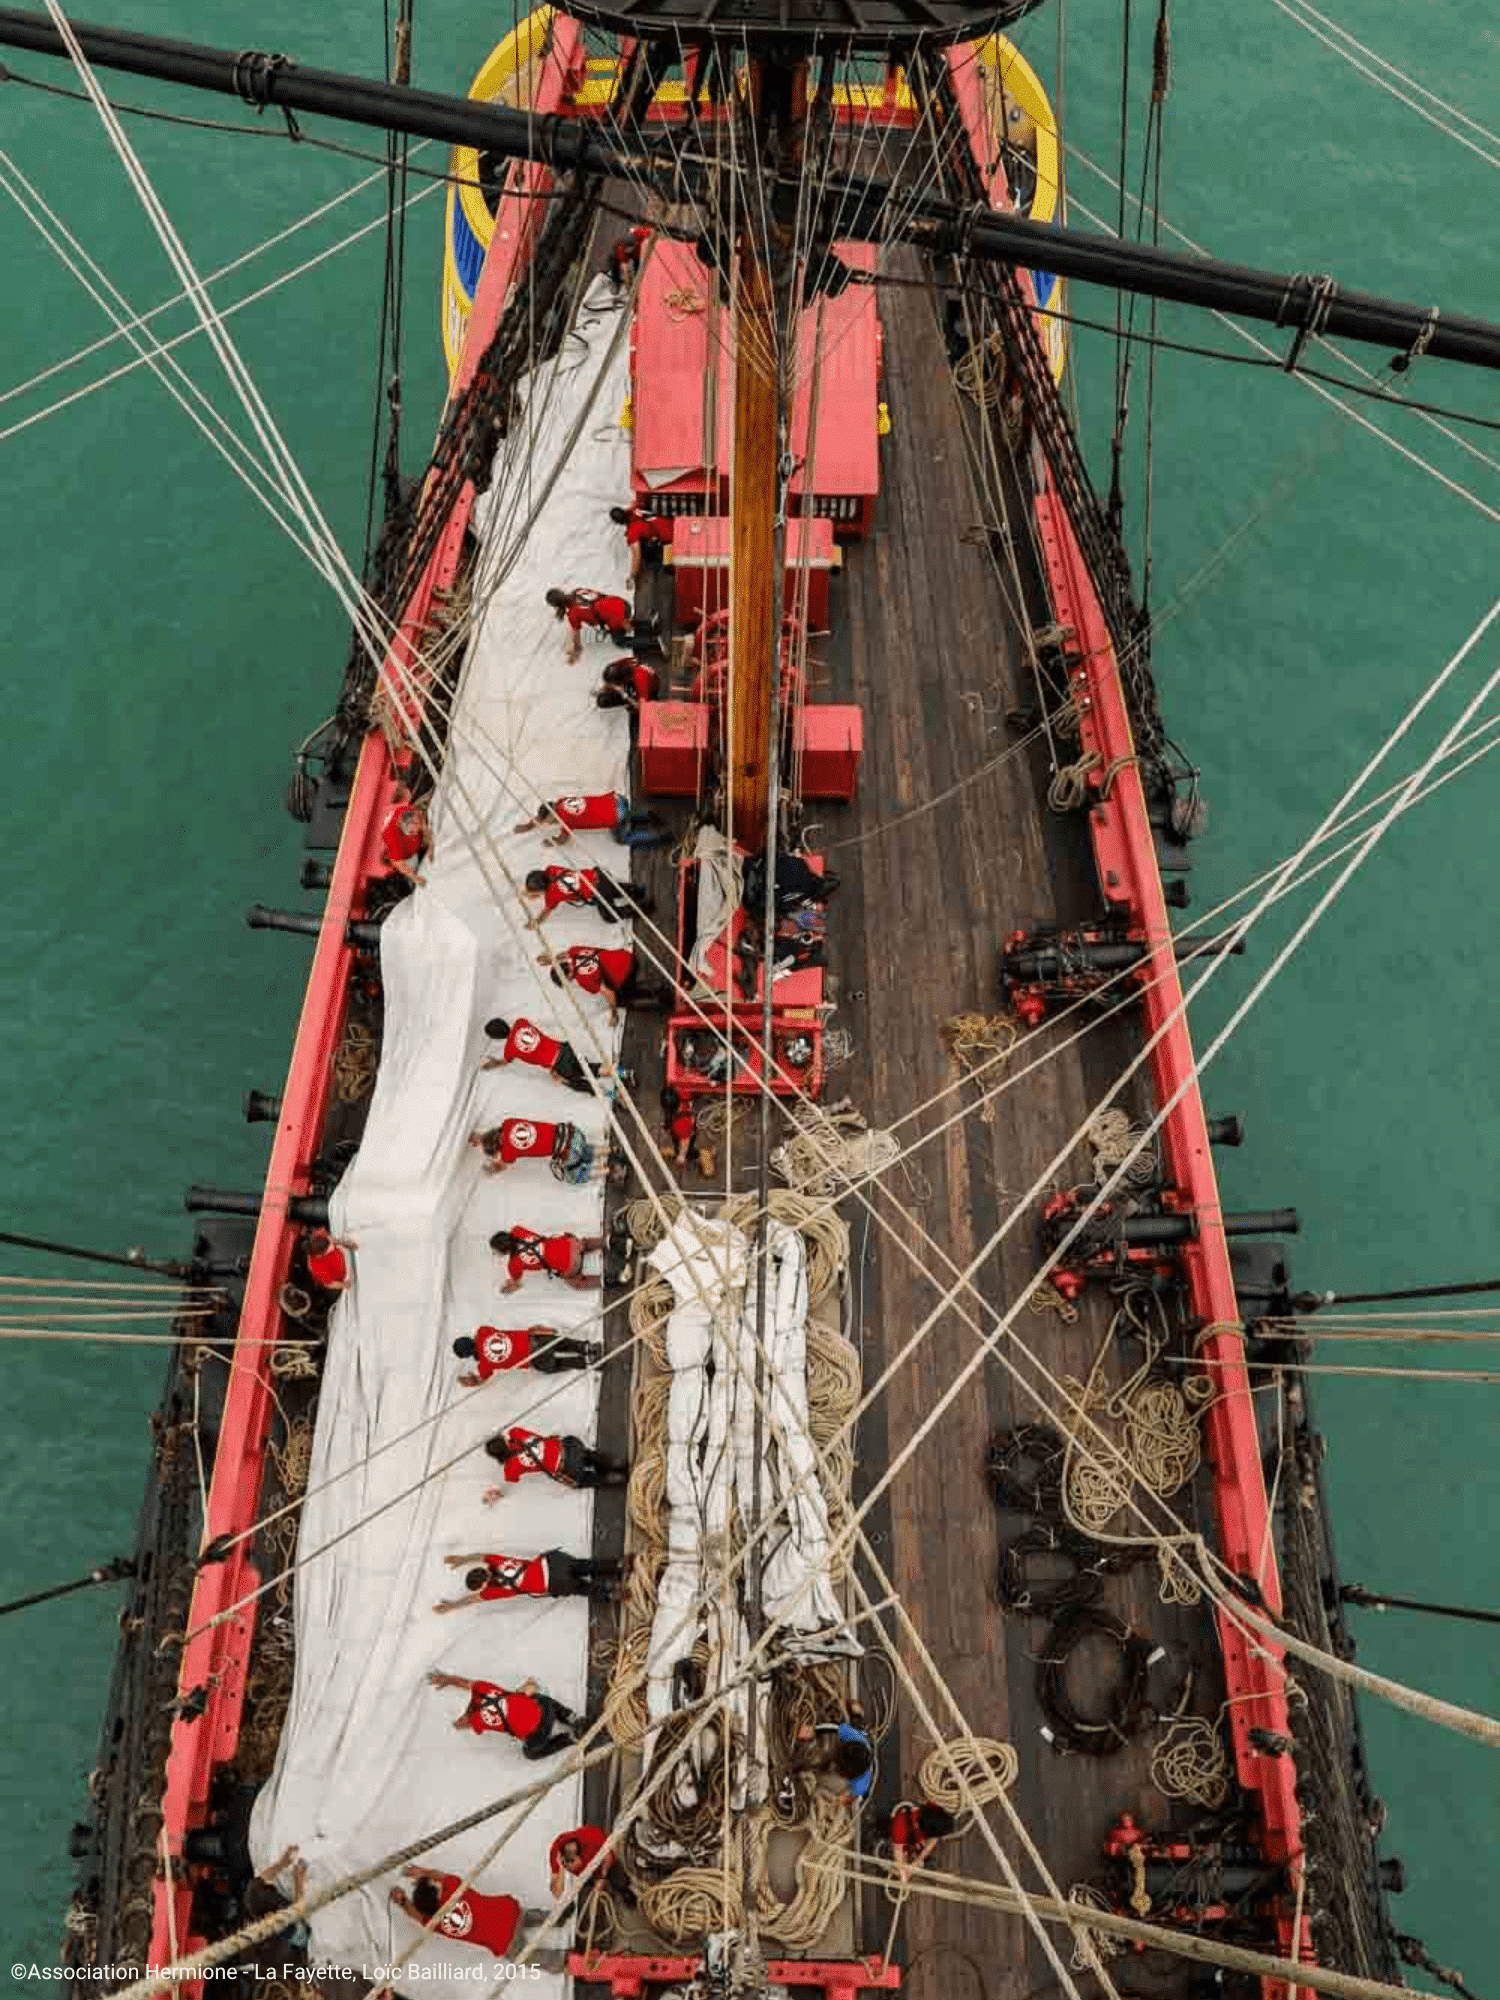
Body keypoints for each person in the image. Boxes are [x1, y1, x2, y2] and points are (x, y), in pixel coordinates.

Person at [427, 1670, 584, 1757]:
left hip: (538, 1732)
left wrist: (460, 1720)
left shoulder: (476, 1720)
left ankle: (568, 1739)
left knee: (530, 1754)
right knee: (535, 1697)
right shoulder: (484, 1688)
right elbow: (466, 1683)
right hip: (546, 1709)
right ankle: (570, 1717)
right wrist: (449, 1679)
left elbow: (458, 1725)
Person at [432, 1549, 625, 1612]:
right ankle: (618, 1565)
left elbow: (472, 1599)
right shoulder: (496, 1562)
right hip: (552, 1563)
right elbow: (481, 1556)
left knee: (584, 1589)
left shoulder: (495, 1590)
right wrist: (461, 1559)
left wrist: (453, 1606)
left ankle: (611, 1592)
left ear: (483, 1584)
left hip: (550, 1584)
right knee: (586, 1565)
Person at [481, 1015, 617, 1096]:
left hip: (559, 1064)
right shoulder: (520, 1022)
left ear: (497, 1038)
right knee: (588, 1067)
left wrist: (492, 1063)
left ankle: (611, 1094)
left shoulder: (509, 1051)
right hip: (565, 1049)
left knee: (577, 1084)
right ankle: (621, 1072)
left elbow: (504, 1062)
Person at [482, 1426, 627, 1493]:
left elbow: (511, 1480)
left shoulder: (510, 1467)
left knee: (580, 1480)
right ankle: (613, 1463)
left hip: (565, 1467)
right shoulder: (517, 1432)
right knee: (585, 1454)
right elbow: (512, 1432)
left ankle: (612, 1478)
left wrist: (497, 1491)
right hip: (569, 1447)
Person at [469, 1118, 612, 1185]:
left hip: (567, 1151)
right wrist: (481, 1137)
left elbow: (500, 1165)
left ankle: (609, 1170)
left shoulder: (507, 1153)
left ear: (496, 1149)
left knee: (573, 1177)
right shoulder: (509, 1123)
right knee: (582, 1150)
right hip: (573, 1132)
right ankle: (610, 1150)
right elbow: (494, 1135)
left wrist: (490, 1169)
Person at [547, 942, 668, 1022]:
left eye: (567, 980)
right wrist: (553, 959)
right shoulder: (575, 951)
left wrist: (613, 1014)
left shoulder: (583, 980)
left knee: (621, 1000)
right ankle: (658, 985)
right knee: (624, 988)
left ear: (567, 976)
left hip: (625, 973)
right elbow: (564, 954)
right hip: (626, 957)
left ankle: (660, 1003)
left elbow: (609, 994)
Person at [793, 1694, 874, 1806]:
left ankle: (807, 1781)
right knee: (826, 1747)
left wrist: (838, 1800)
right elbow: (832, 1727)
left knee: (836, 1784)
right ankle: (856, 1711)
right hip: (851, 1738)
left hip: (845, 1778)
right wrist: (811, 1730)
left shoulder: (861, 1784)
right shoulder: (853, 1736)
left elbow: (853, 1798)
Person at [515, 792, 670, 850]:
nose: (548, 824)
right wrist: (528, 826)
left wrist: (552, 841)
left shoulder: (566, 821)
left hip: (617, 816)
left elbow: (563, 840)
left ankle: (659, 837)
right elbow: (544, 815)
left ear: (552, 816)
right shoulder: (561, 802)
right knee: (623, 813)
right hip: (617, 799)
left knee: (621, 839)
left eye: (548, 821)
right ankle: (648, 816)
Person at [544, 587, 659, 664]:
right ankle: (649, 625)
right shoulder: (578, 591)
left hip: (616, 618)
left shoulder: (573, 614)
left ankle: (653, 644)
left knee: (620, 641)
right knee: (623, 622)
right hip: (621, 603)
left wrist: (576, 649)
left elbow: (576, 635)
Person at [453, 1327, 601, 1384]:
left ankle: (586, 1361)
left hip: (532, 1359)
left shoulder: (484, 1365)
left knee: (556, 1364)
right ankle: (586, 1347)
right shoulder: (484, 1332)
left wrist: (470, 1380)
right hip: (532, 1340)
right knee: (560, 1343)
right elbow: (479, 1332)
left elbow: (481, 1379)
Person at [523, 866, 655, 926]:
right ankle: (637, 890)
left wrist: (536, 922)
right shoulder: (552, 870)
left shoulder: (551, 895)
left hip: (596, 890)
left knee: (609, 916)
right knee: (613, 890)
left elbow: (546, 911)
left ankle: (645, 906)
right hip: (598, 874)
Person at [491, 1225, 604, 1292]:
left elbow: (515, 1284)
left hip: (570, 1265)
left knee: (577, 1284)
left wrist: (507, 1287)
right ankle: (607, 1242)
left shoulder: (513, 1265)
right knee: (584, 1242)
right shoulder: (517, 1230)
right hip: (571, 1244)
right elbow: (539, 1237)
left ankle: (609, 1280)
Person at [877, 1801, 957, 1878]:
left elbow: (933, 1840)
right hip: (902, 1840)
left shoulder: (934, 1811)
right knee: (900, 1865)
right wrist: (904, 1873)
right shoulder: (901, 1823)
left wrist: (917, 1862)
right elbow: (898, 1852)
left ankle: (921, 1861)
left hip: (917, 1837)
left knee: (922, 1853)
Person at [661, 1083, 715, 1178]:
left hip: (688, 1129)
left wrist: (681, 1156)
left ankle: (705, 1155)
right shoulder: (682, 1093)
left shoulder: (681, 1123)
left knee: (689, 1149)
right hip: (689, 1119)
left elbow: (685, 1141)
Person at [609, 504, 672, 577]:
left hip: (669, 540)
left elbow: (636, 555)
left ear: (618, 522)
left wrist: (633, 574)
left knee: (668, 568)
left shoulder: (632, 532)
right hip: (673, 523)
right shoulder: (634, 509)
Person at [381, 796, 431, 885]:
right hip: (407, 854)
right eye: (412, 831)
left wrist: (426, 833)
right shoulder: (395, 843)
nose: (417, 830)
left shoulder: (408, 811)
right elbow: (398, 863)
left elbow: (420, 814)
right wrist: (414, 877)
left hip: (403, 818)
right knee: (413, 868)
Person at [594, 655, 660, 712]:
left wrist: (625, 696)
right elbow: (634, 660)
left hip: (652, 689)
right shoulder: (623, 666)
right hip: (645, 673)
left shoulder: (640, 685)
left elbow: (644, 707)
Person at [303, 1227, 356, 1293]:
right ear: (320, 1255)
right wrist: (343, 1285)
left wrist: (345, 1244)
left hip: (347, 1258)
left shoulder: (322, 1238)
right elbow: (329, 1284)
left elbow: (332, 1240)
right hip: (345, 1275)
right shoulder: (317, 1269)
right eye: (329, 1249)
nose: (332, 1247)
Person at [606, 222, 652, 292]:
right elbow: (626, 270)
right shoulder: (621, 250)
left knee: (637, 268)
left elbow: (650, 231)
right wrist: (629, 287)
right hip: (617, 257)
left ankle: (637, 282)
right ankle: (616, 282)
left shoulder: (637, 233)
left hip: (635, 254)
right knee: (615, 268)